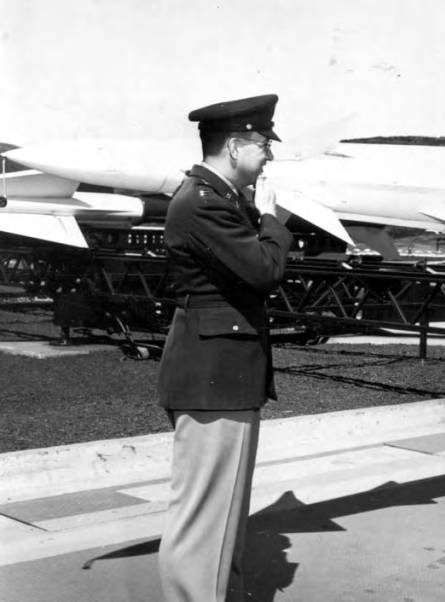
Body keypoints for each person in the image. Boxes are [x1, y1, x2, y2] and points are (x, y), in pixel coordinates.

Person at [156, 94, 293, 602]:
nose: (269, 156)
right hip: (214, 378)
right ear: (235, 146)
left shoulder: (218, 199)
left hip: (223, 375)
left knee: (224, 518)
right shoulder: (204, 202)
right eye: (263, 145)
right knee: (204, 525)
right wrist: (273, 219)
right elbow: (263, 271)